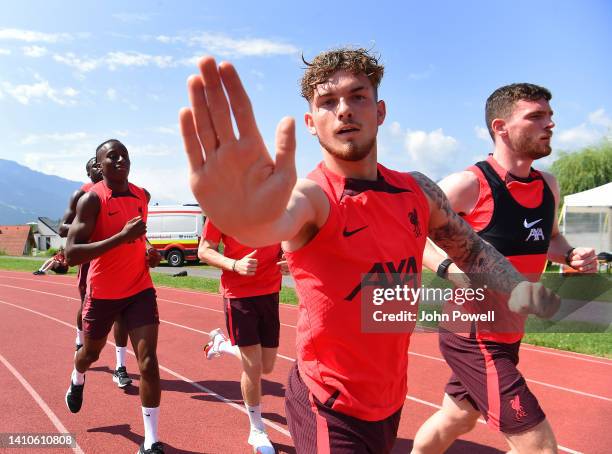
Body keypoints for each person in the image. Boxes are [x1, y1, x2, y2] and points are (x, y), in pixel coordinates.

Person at [179, 49, 561, 453]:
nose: (343, 110)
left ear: (380, 111)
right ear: (311, 123)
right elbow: (275, 223)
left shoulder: (417, 190)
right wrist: (246, 221)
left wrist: (519, 288)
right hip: (327, 402)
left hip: (388, 399)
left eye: (357, 97)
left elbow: (473, 250)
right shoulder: (313, 196)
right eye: (328, 102)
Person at [412, 83, 598, 454]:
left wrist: (572, 255)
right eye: (536, 116)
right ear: (501, 127)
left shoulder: (549, 185)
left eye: (550, 116)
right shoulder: (469, 184)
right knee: (538, 447)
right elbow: (413, 231)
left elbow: (551, 239)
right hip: (473, 336)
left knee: (457, 418)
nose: (549, 125)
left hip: (510, 333)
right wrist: (449, 267)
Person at [65, 139, 164, 454]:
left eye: (125, 155)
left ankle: (150, 441)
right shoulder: (91, 201)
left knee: (148, 362)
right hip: (103, 293)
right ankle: (78, 375)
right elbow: (71, 253)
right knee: (90, 354)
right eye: (112, 156)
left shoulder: (141, 195)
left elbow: (140, 235)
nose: (121, 160)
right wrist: (121, 238)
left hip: (139, 289)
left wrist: (149, 251)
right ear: (100, 164)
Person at [199, 219, 287, 453]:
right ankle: (257, 430)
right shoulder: (223, 209)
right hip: (239, 295)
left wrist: (289, 260)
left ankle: (221, 344)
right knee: (253, 366)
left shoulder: (276, 205)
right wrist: (235, 264)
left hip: (270, 292)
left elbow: (288, 243)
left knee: (266, 366)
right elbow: (204, 251)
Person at [59, 157, 132, 388]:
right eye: (94, 166)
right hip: (91, 260)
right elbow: (62, 228)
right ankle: (81, 342)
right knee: (86, 306)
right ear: (90, 171)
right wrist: (92, 227)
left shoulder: (122, 192)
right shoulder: (83, 195)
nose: (99, 169)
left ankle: (120, 366)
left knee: (123, 314)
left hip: (119, 262)